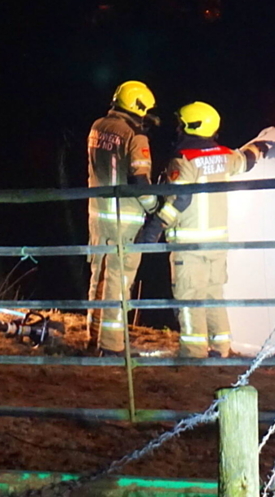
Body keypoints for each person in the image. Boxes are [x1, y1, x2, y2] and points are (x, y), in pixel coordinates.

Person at [137, 101, 269, 358]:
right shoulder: (225, 155)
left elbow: (179, 201)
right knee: (213, 295)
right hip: (218, 243)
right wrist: (260, 146)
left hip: (189, 245)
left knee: (189, 298)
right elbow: (247, 160)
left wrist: (154, 230)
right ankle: (220, 348)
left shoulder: (184, 160)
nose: (178, 129)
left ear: (190, 126)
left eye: (181, 124)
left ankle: (193, 351)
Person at [87, 80, 159, 355]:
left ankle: (93, 338)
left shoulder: (98, 126)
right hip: (124, 219)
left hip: (97, 215)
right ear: (137, 106)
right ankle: (113, 346)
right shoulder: (135, 137)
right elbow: (139, 180)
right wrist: (154, 206)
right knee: (119, 282)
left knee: (99, 278)